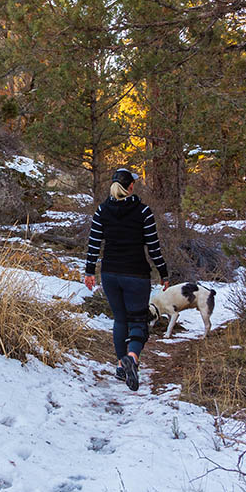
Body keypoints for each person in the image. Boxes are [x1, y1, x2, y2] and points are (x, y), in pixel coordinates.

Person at [82, 168, 169, 391]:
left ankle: (122, 366)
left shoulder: (102, 210)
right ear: (131, 187)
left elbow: (94, 243)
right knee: (138, 320)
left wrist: (89, 271)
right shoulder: (143, 212)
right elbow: (153, 247)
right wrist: (164, 273)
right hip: (136, 275)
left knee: (120, 320)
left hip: (110, 273)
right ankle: (132, 357)